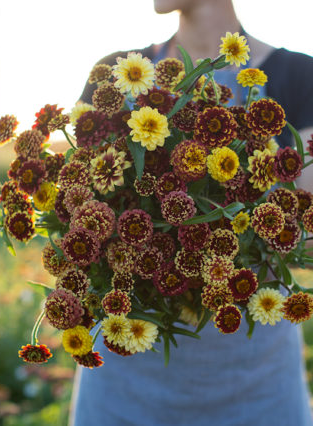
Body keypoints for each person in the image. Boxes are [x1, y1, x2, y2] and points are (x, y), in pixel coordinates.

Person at [70, 1, 313, 425]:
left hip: (255, 385)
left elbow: (305, 232)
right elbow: (75, 206)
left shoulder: (299, 76)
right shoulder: (115, 71)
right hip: (125, 373)